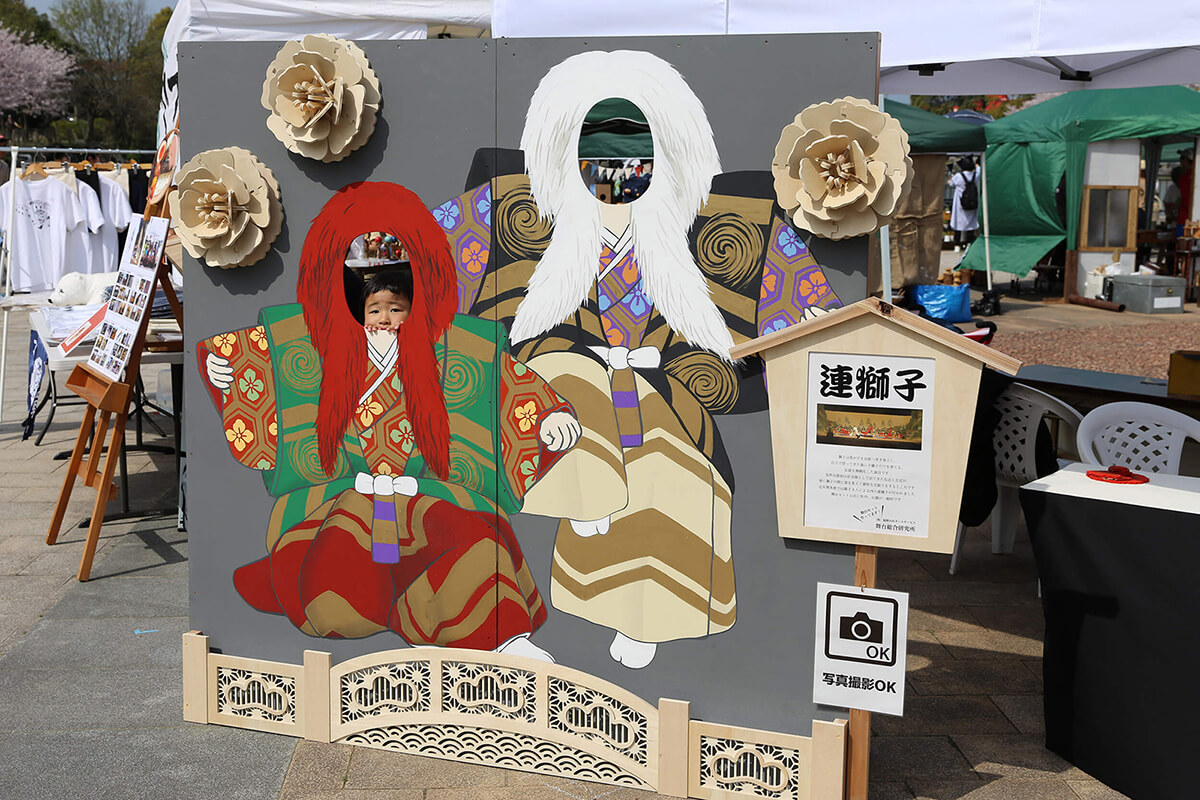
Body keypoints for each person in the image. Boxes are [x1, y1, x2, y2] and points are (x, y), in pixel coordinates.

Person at [436, 50, 844, 668]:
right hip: (550, 383)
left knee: (672, 474)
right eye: (595, 142)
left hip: (661, 397)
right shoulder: (515, 210)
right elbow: (418, 257)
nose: (615, 164)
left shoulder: (729, 224)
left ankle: (642, 615)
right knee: (570, 387)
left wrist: (815, 327)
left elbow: (808, 315)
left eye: (634, 141)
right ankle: (580, 499)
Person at [198, 182, 581, 660]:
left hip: (431, 496)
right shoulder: (305, 342)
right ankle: (426, 614)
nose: (382, 317)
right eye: (367, 298)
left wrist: (547, 421)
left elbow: (510, 392)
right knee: (340, 583)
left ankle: (501, 638)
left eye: (396, 302)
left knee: (470, 537)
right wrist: (228, 371)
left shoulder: (459, 346)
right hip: (337, 499)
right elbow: (250, 362)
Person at [949, 156, 981, 249]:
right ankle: (969, 242)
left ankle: (957, 243)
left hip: (960, 204)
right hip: (972, 202)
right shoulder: (976, 175)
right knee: (971, 223)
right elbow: (979, 169)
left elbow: (950, 183)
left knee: (958, 223)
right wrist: (977, 164)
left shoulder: (958, 176)